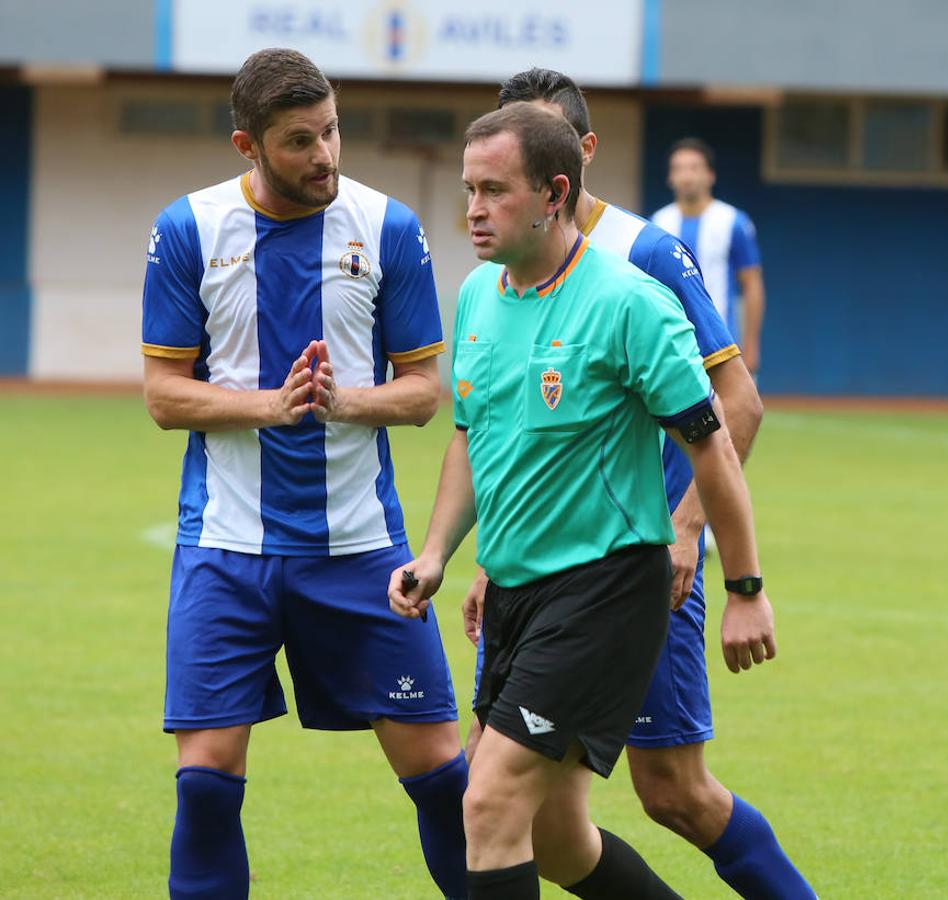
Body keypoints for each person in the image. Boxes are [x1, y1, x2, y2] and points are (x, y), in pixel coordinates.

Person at [389, 102, 775, 900]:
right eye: (469, 190)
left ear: (554, 192)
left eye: (495, 190)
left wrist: (743, 588)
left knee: (489, 801)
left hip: (605, 589)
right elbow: (470, 436)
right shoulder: (475, 297)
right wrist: (436, 554)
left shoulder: (629, 300)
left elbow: (713, 443)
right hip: (516, 594)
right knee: (554, 838)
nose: (473, 210)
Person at [141, 48, 467, 899]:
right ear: (248, 144)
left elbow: (426, 392)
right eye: (299, 141)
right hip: (225, 548)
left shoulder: (387, 226)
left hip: (360, 550)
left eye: (331, 130)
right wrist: (271, 406)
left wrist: (342, 403)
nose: (324, 155)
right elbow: (165, 396)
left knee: (442, 777)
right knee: (206, 785)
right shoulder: (189, 229)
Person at [651, 137, 766, 377]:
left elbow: (752, 283)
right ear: (670, 177)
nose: (686, 176)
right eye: (678, 169)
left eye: (694, 167)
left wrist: (752, 343)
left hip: (723, 342)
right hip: (672, 345)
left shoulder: (733, 221)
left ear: (710, 175)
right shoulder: (658, 223)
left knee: (734, 414)